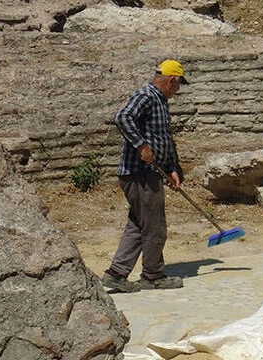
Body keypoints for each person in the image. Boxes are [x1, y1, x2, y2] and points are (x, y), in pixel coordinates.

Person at [101, 59, 189, 292]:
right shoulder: (146, 96)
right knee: (154, 226)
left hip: (151, 173)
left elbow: (163, 138)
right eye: (179, 85)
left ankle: (117, 274)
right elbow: (123, 117)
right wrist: (142, 146)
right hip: (139, 173)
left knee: (139, 224)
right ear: (172, 81)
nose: (178, 90)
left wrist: (172, 168)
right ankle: (152, 276)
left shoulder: (160, 101)